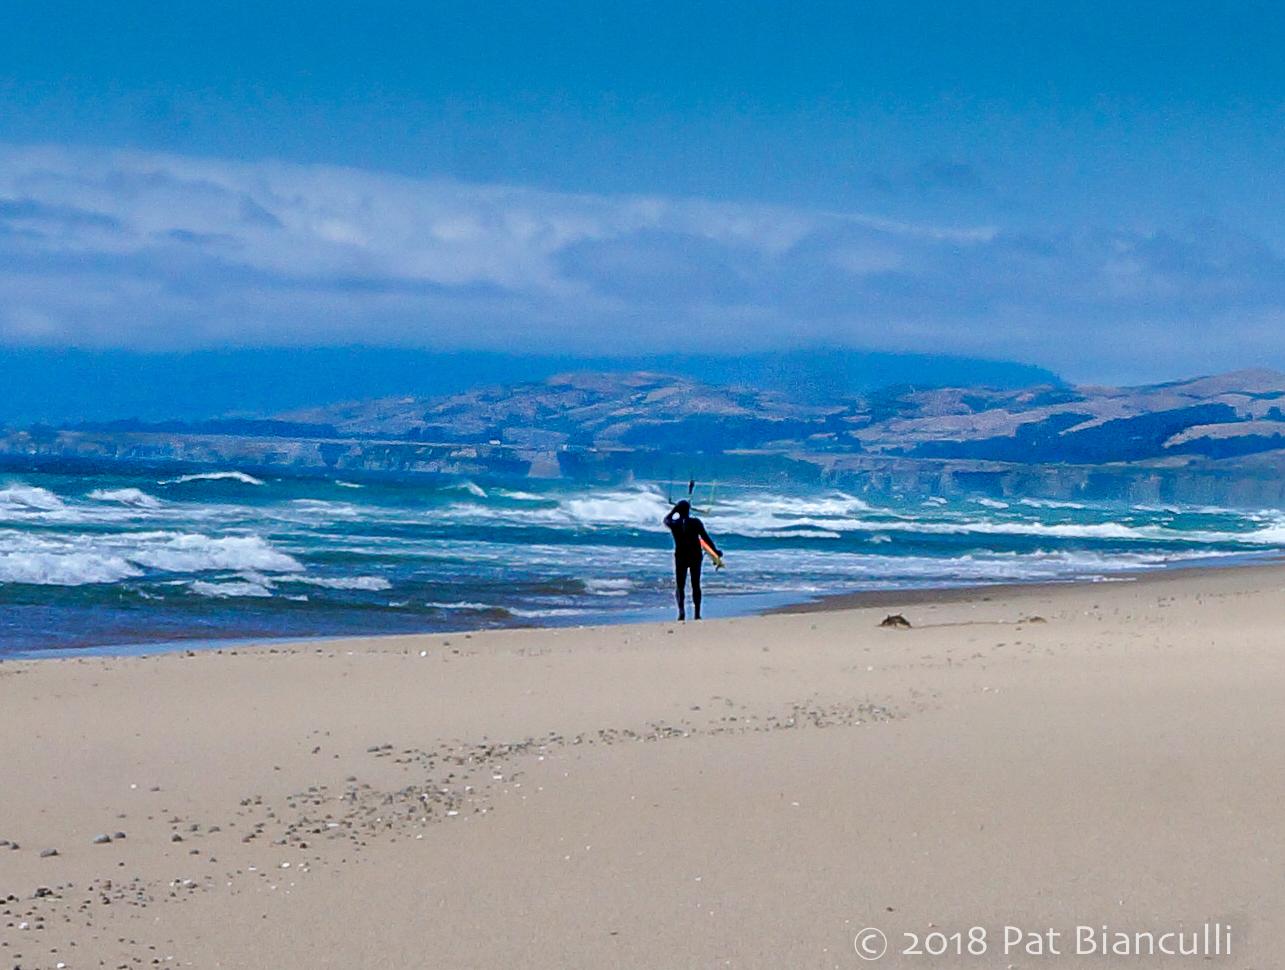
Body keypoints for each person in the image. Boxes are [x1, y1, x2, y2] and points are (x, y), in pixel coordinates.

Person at [663, 499, 722, 621]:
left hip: (681, 556)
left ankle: (681, 612)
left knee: (680, 585)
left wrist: (675, 510)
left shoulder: (675, 523)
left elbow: (666, 520)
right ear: (689, 510)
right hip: (695, 555)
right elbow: (706, 538)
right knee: (696, 584)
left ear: (679, 511)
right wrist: (715, 552)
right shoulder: (696, 523)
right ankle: (697, 614)